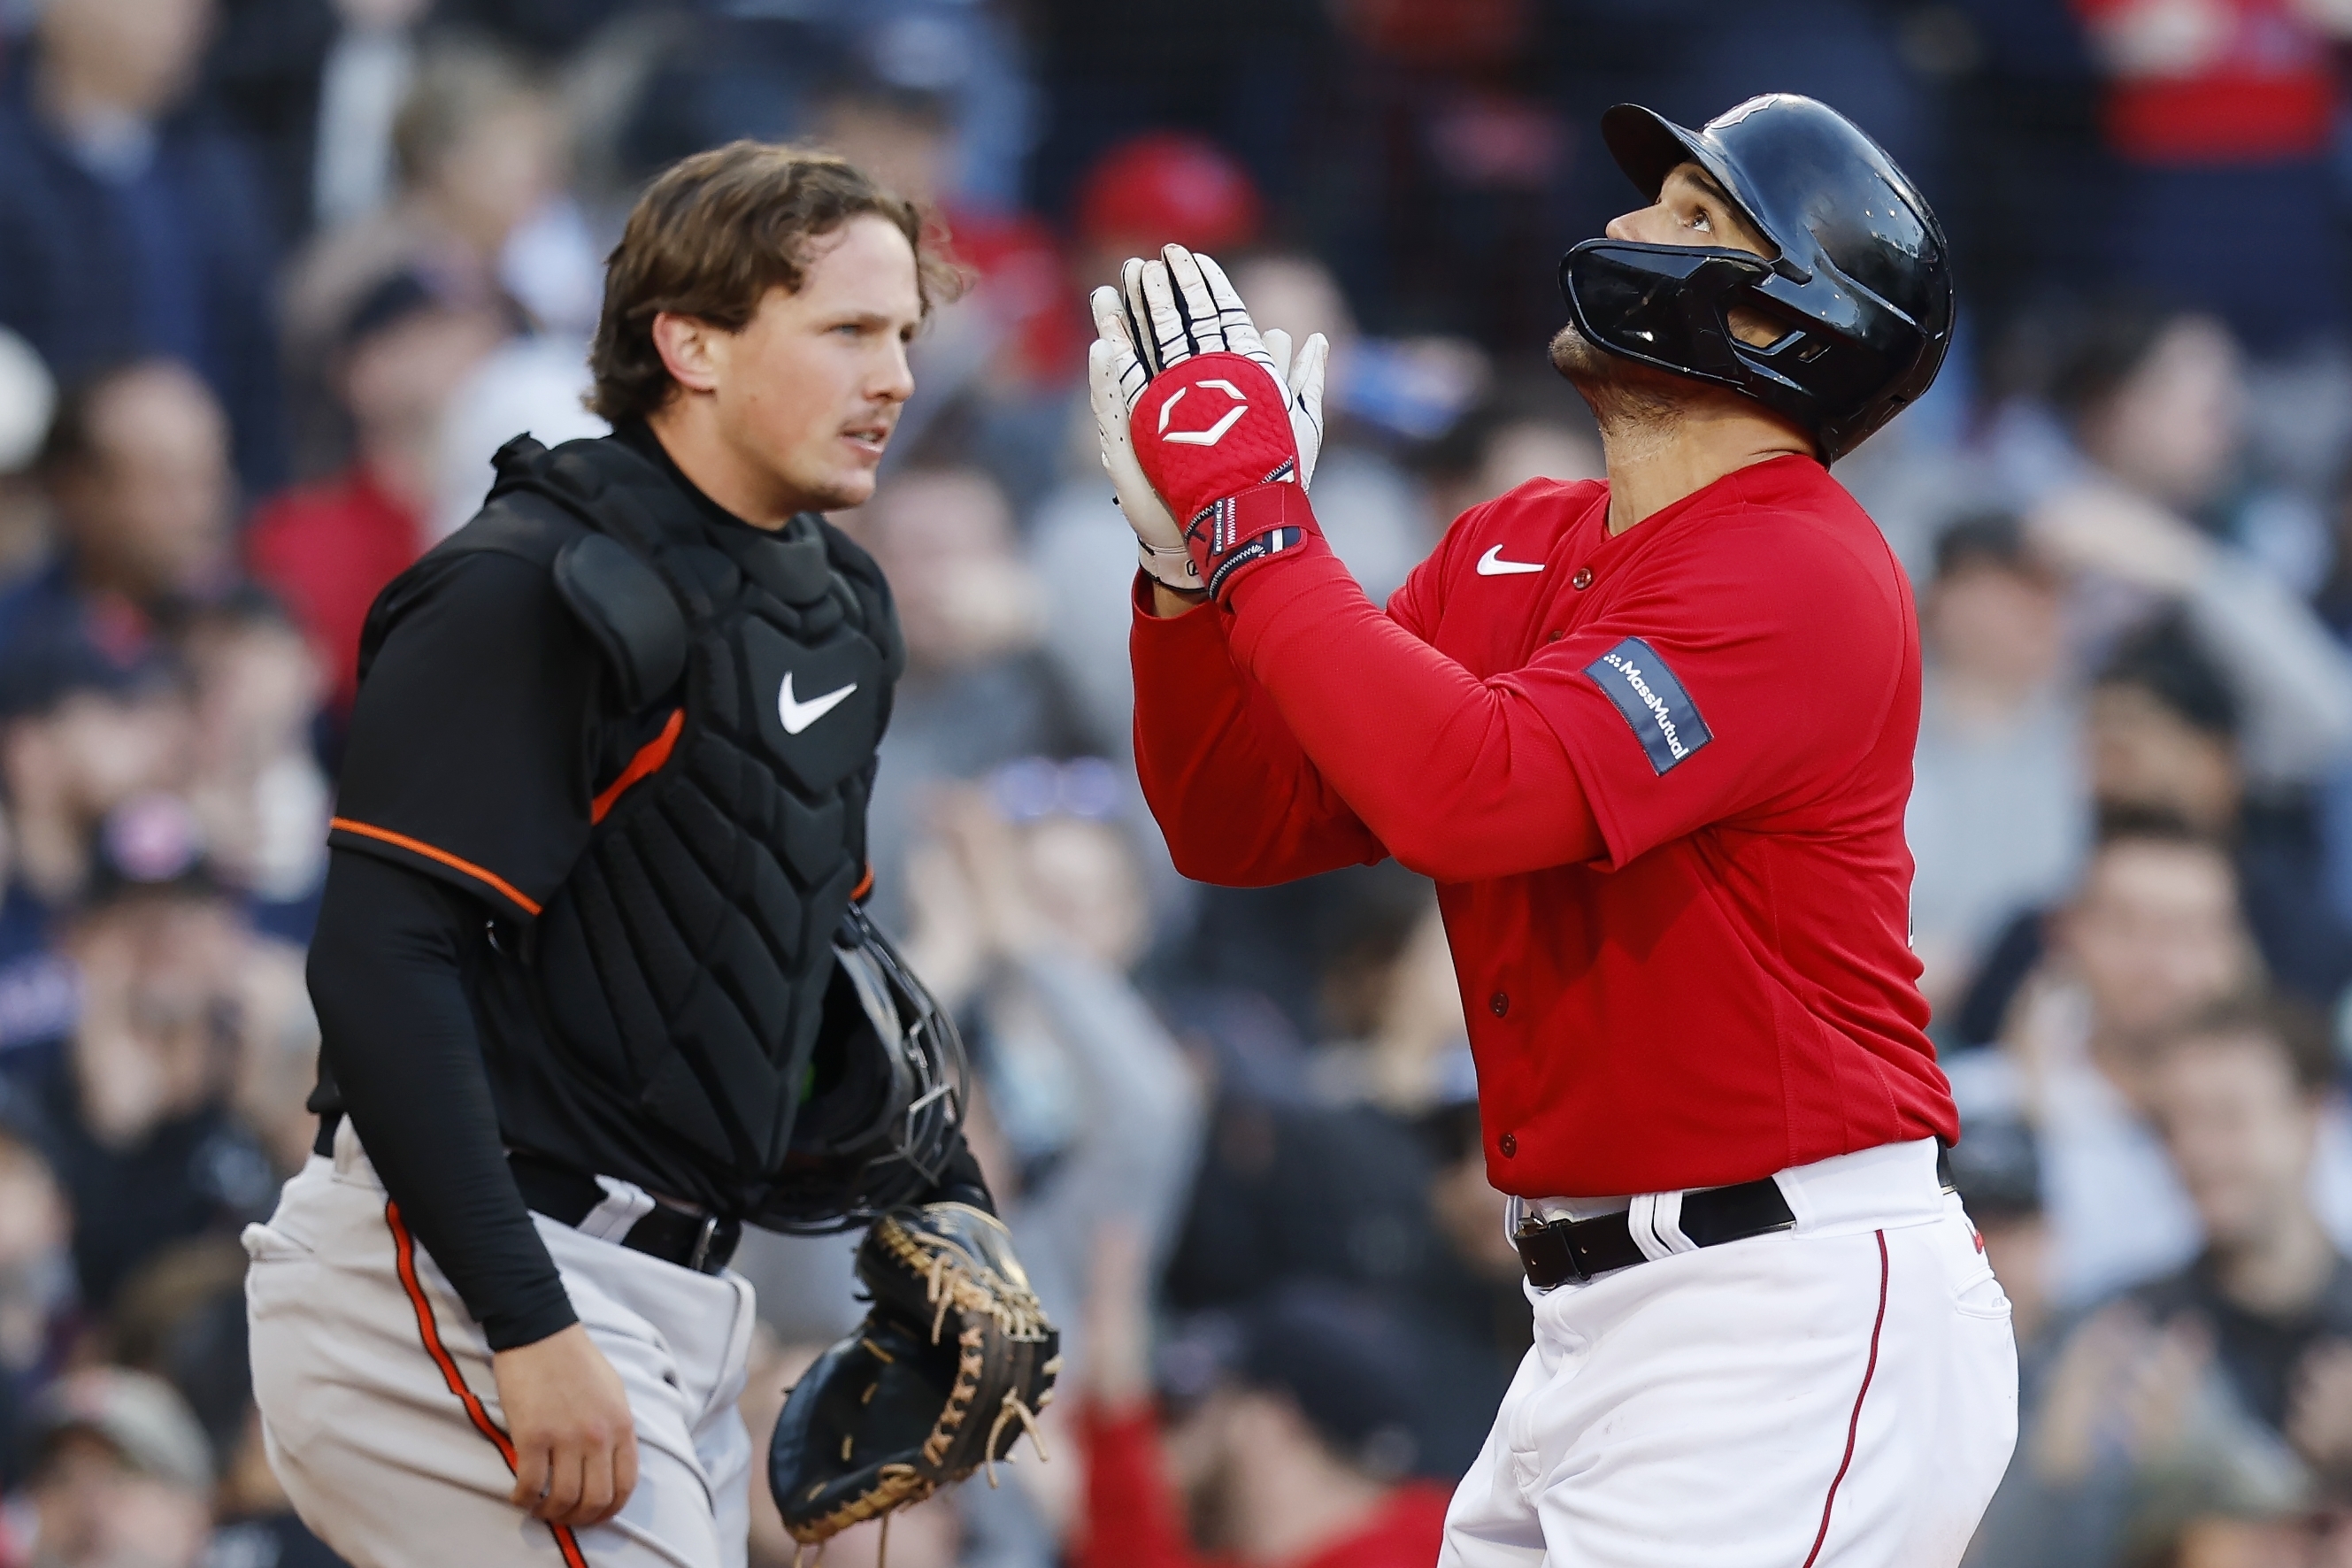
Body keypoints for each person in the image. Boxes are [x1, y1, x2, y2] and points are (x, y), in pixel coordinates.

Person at [1090, 94, 2015, 1564]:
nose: (1629, 226)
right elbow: (1238, 817)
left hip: (1787, 1306)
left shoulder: (1802, 568)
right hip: (1596, 1318)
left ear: (1780, 326)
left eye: (1693, 218)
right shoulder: (1513, 536)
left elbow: (1472, 793)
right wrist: (1187, 580)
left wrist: (1260, 524)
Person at [242, 142, 1046, 1568]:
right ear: (693, 343)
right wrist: (527, 1321)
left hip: (670, 1287)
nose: (897, 380)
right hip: (452, 1265)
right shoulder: (533, 585)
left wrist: (942, 1202)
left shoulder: (837, 602)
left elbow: (798, 951)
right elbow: (378, 962)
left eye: (905, 336)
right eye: (849, 331)